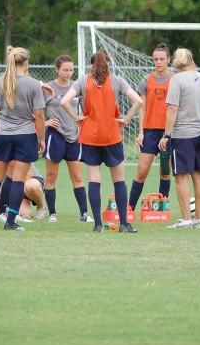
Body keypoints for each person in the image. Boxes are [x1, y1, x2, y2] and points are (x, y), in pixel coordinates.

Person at [61, 51, 143, 233]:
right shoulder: (117, 81)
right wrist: (126, 119)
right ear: (108, 65)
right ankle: (124, 224)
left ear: (92, 66)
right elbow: (138, 101)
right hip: (112, 135)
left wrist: (77, 118)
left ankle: (98, 224)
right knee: (119, 180)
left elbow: (64, 101)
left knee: (94, 179)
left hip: (90, 136)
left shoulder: (83, 81)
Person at [0, 47, 45, 231]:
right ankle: (10, 222)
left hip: (3, 135)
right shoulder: (33, 84)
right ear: (26, 63)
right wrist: (42, 139)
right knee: (18, 180)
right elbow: (39, 115)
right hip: (25, 136)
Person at [158, 48, 200, 229]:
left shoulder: (176, 80)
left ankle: (187, 218)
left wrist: (166, 134)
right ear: (191, 59)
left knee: (181, 177)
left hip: (182, 135)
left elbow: (172, 108)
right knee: (199, 177)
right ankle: (199, 219)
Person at [42, 55, 91, 223]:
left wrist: (82, 123)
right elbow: (35, 112)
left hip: (74, 136)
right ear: (57, 70)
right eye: (65, 70)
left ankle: (84, 213)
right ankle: (52, 214)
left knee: (77, 176)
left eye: (71, 70)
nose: (69, 73)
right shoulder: (48, 88)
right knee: (51, 176)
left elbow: (84, 111)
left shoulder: (77, 88)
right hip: (55, 136)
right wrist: (46, 122)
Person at [129, 43, 173, 210]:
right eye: (155, 59)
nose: (158, 62)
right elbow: (143, 107)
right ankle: (129, 208)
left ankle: (163, 207)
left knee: (165, 171)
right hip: (150, 131)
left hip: (168, 132)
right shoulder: (146, 80)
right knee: (141, 171)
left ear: (168, 59)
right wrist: (141, 132)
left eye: (162, 59)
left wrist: (170, 133)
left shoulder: (175, 79)